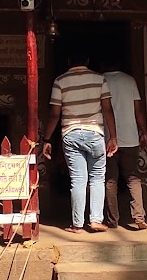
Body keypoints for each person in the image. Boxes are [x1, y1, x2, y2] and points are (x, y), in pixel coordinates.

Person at [40, 53, 118, 233]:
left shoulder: (60, 81)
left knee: (78, 180)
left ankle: (77, 224)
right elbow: (107, 109)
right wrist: (113, 137)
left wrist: (47, 139)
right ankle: (96, 220)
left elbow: (54, 114)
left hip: (71, 133)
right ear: (88, 61)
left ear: (69, 61)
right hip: (95, 133)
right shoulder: (99, 79)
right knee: (97, 178)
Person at [100, 57, 147, 230]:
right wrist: (143, 131)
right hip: (130, 137)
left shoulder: (100, 80)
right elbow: (138, 110)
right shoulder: (130, 80)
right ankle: (139, 217)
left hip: (107, 138)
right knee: (133, 178)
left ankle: (112, 220)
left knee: (110, 180)